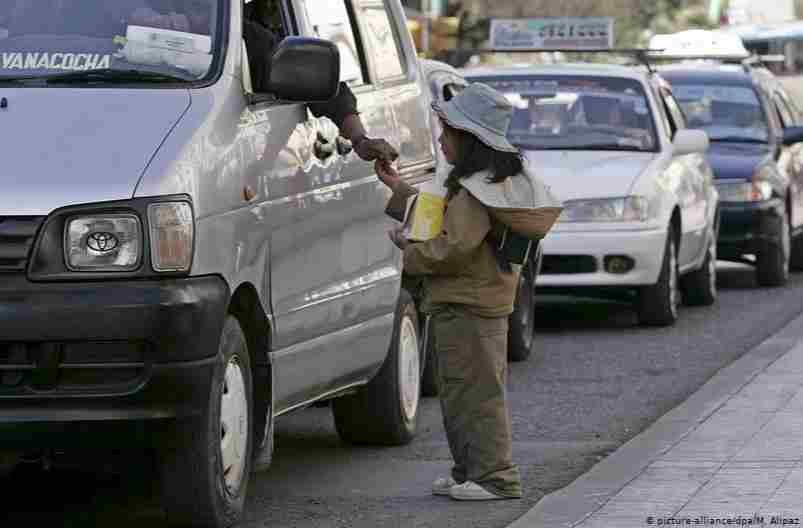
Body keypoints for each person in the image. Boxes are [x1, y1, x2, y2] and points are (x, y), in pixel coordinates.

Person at [375, 83, 562, 501]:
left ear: (470, 138)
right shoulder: (482, 183)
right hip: (467, 302)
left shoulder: (478, 189)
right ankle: (470, 473)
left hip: (470, 304)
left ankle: (495, 478)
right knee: (461, 391)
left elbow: (452, 245)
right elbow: (441, 218)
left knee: (476, 395)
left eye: (447, 132)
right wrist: (399, 190)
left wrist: (409, 255)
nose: (440, 140)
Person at [128, 0, 396, 163]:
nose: (191, 13)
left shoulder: (244, 39)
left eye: (201, 6)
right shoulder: (110, 36)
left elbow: (317, 77)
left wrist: (360, 139)